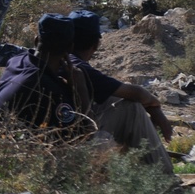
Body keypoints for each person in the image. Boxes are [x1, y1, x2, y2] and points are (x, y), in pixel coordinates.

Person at [66, 9, 173, 172]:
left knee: (115, 100)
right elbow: (136, 93)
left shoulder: (55, 58)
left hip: (60, 130)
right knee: (132, 107)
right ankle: (167, 180)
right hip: (74, 140)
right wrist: (156, 107)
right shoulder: (79, 68)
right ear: (96, 44)